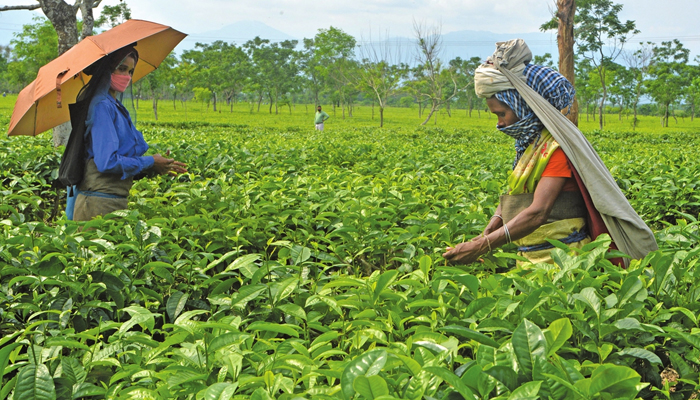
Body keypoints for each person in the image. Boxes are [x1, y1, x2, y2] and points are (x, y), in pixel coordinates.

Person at [443, 39, 656, 265]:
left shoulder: (555, 149)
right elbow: (519, 194)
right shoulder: (531, 145)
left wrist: (481, 246)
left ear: (523, 106)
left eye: (502, 114)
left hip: (564, 262)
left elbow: (538, 212)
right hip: (530, 256)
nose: (500, 124)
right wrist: (490, 227)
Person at [71, 45, 186, 221]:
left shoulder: (115, 106)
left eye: (131, 71)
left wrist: (155, 165)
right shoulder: (102, 106)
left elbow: (122, 158)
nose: (127, 76)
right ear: (107, 69)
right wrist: (150, 161)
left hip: (113, 202)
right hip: (97, 205)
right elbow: (107, 162)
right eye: (122, 69)